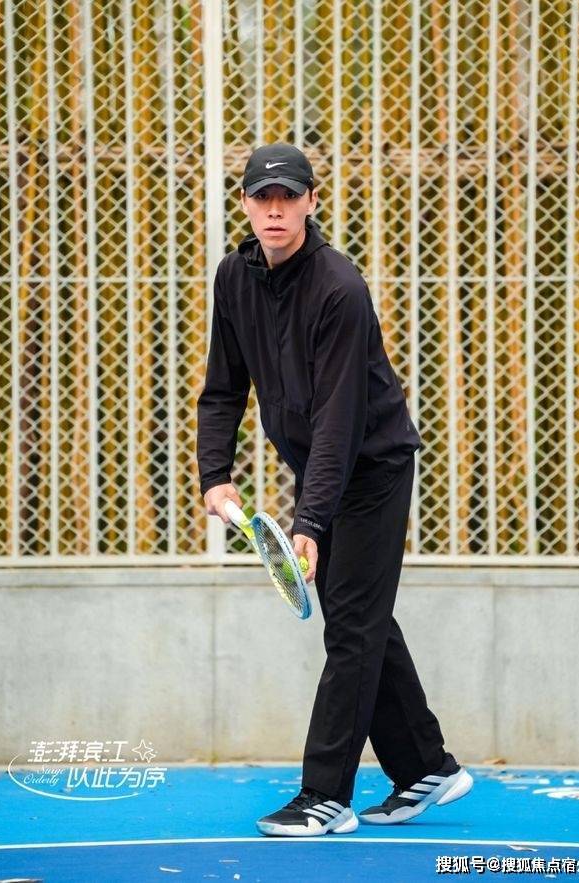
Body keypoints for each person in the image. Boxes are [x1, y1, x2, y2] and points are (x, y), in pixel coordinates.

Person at [196, 143, 473, 836]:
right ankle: (428, 766)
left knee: (350, 625)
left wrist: (309, 522)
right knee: (362, 618)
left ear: (311, 202)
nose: (275, 210)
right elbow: (223, 387)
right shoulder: (233, 278)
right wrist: (214, 474)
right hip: (322, 464)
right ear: (245, 204)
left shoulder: (339, 288)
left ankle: (325, 795)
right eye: (263, 198)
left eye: (288, 197)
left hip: (374, 467)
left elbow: (340, 420)